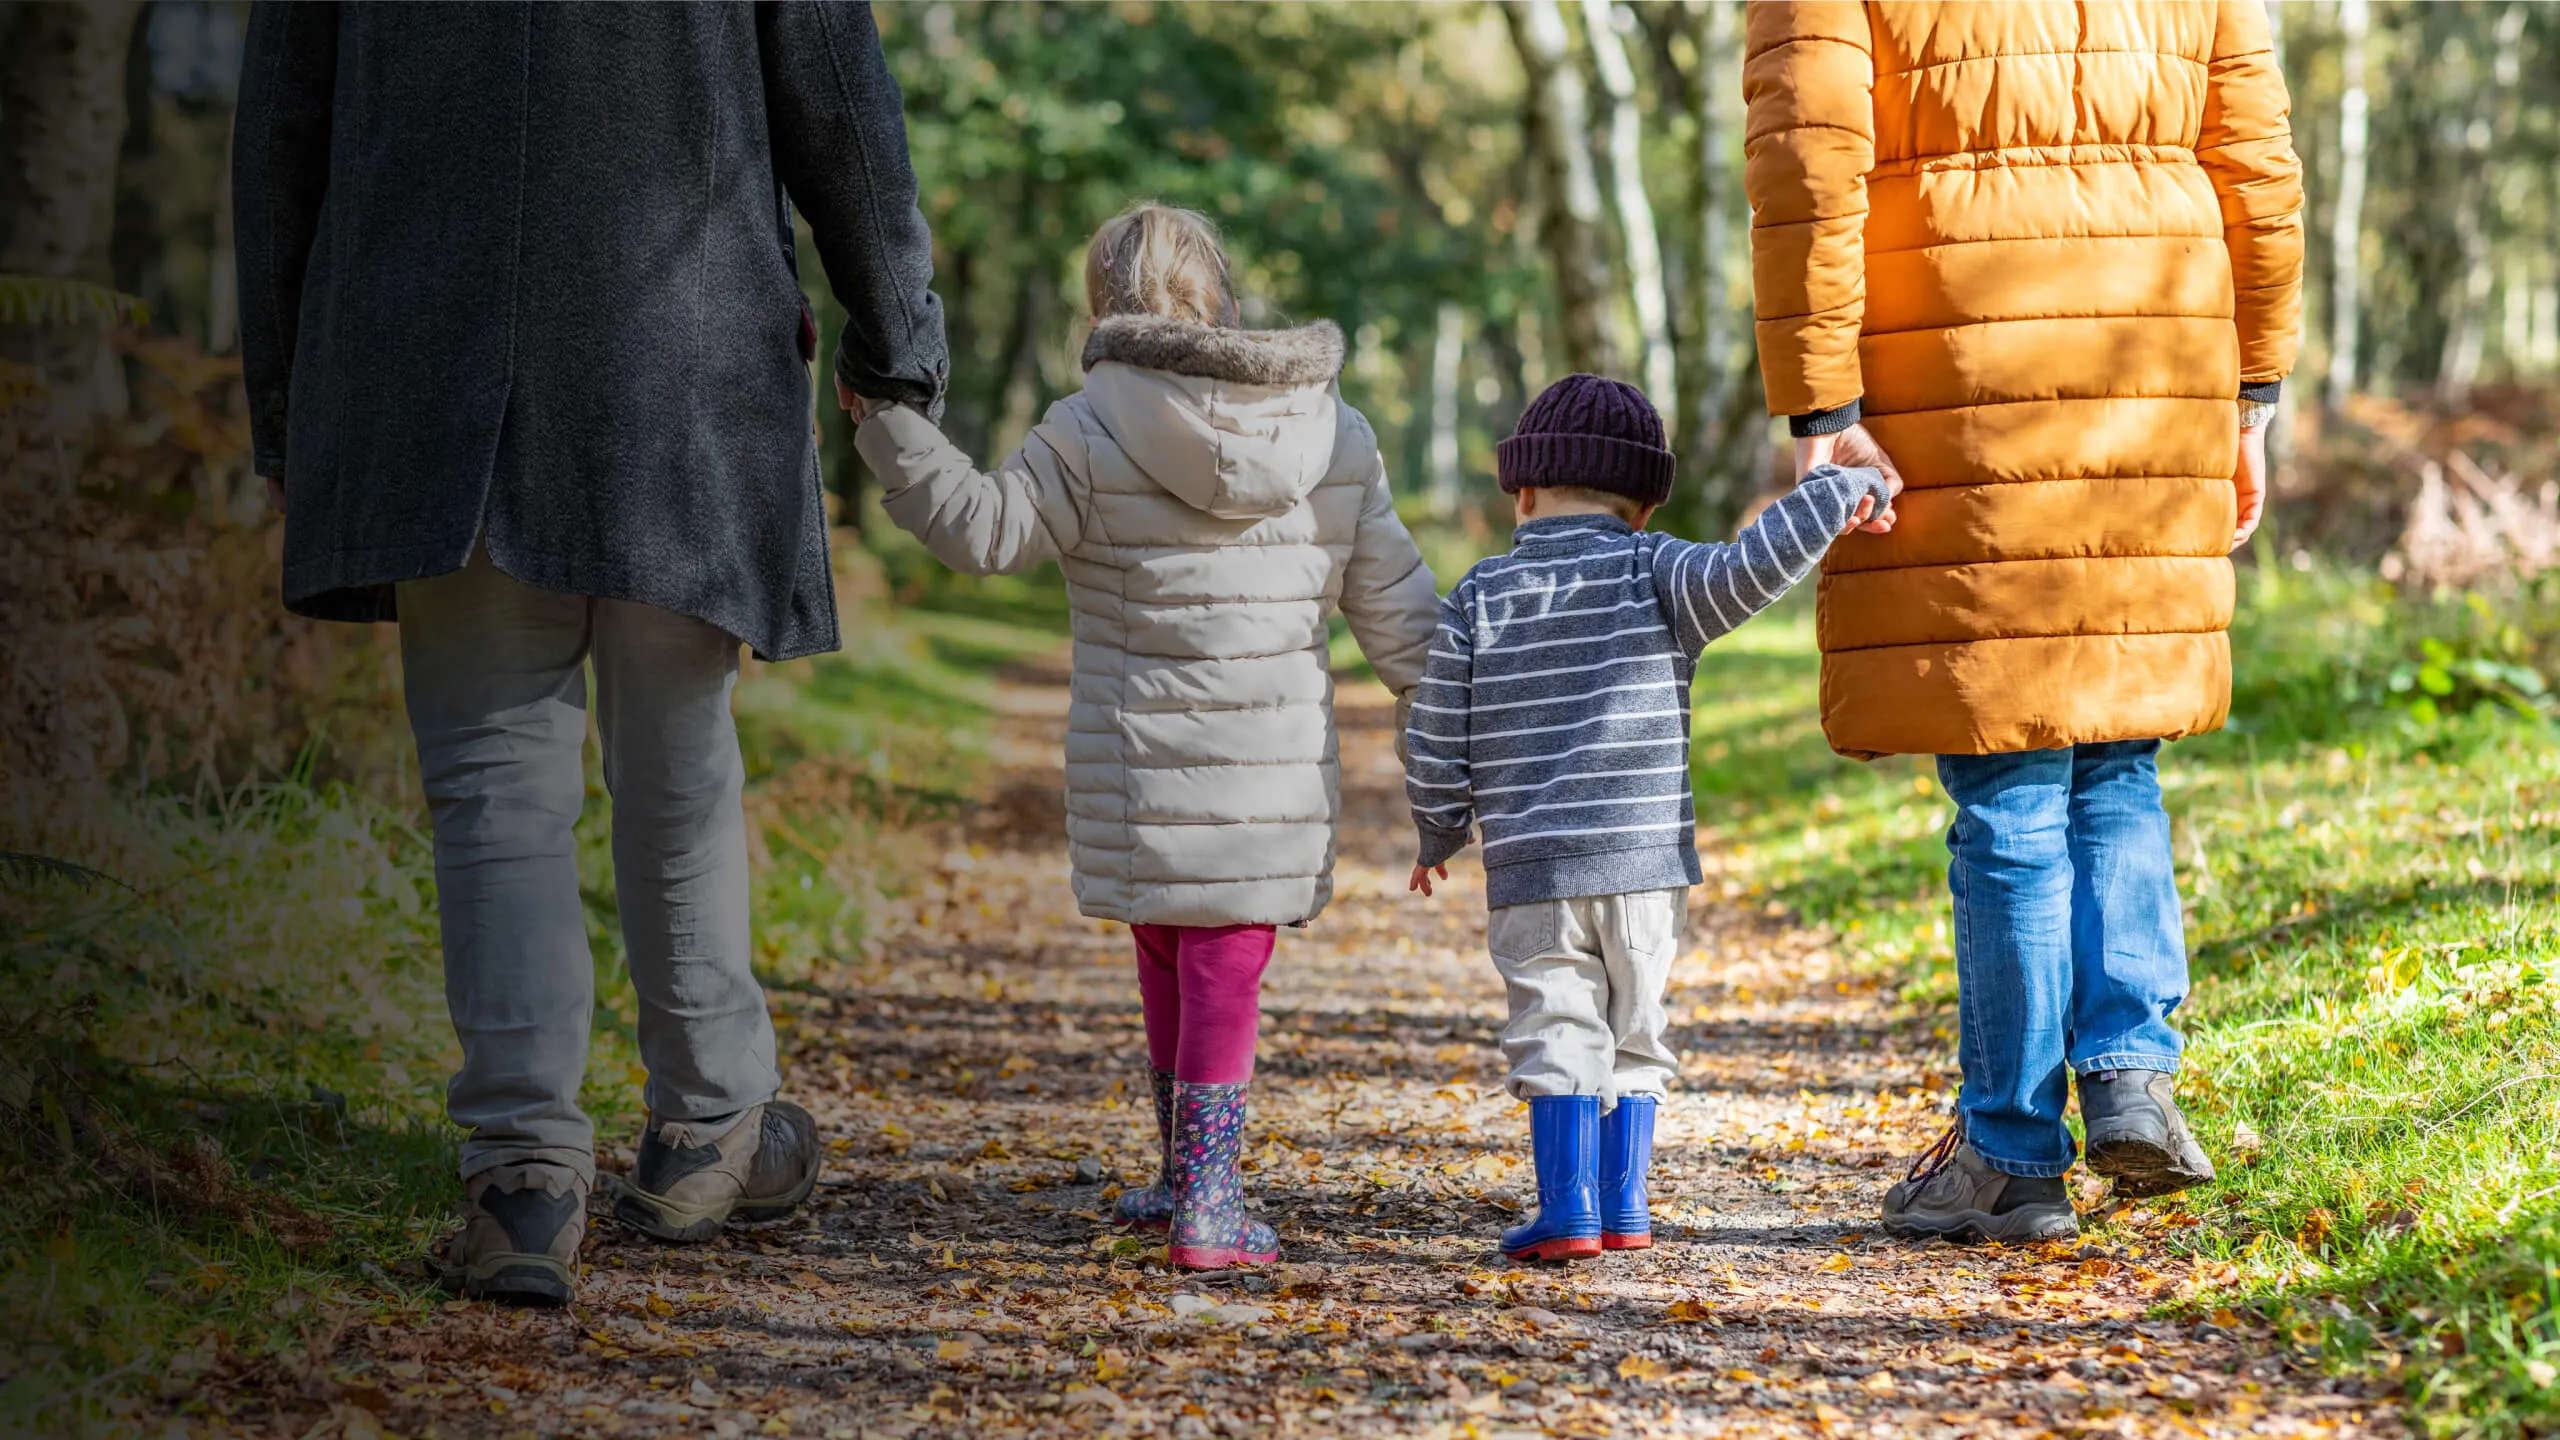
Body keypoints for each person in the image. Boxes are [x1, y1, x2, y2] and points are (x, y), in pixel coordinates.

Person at [233, 3, 948, 1305]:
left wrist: (286, 404)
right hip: (681, 360)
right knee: (677, 765)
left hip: (426, 355)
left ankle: (521, 1180)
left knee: (493, 781)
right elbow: (838, 95)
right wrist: (896, 345)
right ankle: (710, 1130)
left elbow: (282, 120)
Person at [1743, 1, 2305, 1240]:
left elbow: (1805, 160)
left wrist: (1818, 402)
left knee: (2007, 767)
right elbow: (2256, 160)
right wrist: (2252, 389)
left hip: (1952, 357)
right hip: (2153, 357)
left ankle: (2008, 1150)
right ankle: (2129, 1080)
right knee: (2114, 746)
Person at [843, 204, 1443, 1270]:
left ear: (1104, 304)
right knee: (1210, 960)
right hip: (1265, 779)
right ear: (1222, 296)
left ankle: (1196, 1190)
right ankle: (1198, 1191)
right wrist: (1455, 738)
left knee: (1171, 951)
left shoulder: (1086, 426)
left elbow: (984, 530)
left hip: (1136, 759)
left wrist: (887, 426)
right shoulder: (1333, 433)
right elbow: (1398, 613)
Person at [1403, 375, 1897, 1260]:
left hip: (1536, 871)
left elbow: (1439, 725)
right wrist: (1834, 489)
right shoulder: (1657, 569)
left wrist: (1438, 827)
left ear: (1522, 493)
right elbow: (1750, 566)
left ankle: (1568, 1209)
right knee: (1638, 1029)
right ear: (1641, 509)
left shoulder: (1481, 594)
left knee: (1557, 1023)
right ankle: (1626, 1206)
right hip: (1645, 868)